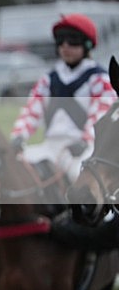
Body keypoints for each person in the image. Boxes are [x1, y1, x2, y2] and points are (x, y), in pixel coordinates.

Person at [11, 13, 117, 183]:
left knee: (80, 178)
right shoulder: (48, 79)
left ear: (87, 44)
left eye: (72, 41)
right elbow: (31, 111)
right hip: (50, 147)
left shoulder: (99, 79)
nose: (65, 46)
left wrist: (85, 140)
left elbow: (100, 115)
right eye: (61, 41)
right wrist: (19, 136)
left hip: (83, 148)